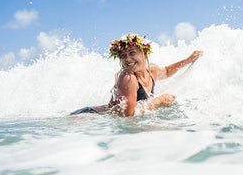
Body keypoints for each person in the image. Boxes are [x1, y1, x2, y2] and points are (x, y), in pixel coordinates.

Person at [71, 33, 203, 117]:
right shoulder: (128, 78)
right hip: (89, 117)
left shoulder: (152, 70)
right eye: (123, 56)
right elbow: (128, 116)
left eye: (132, 53)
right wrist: (159, 101)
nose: (127, 59)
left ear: (144, 53)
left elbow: (167, 72)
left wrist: (189, 60)